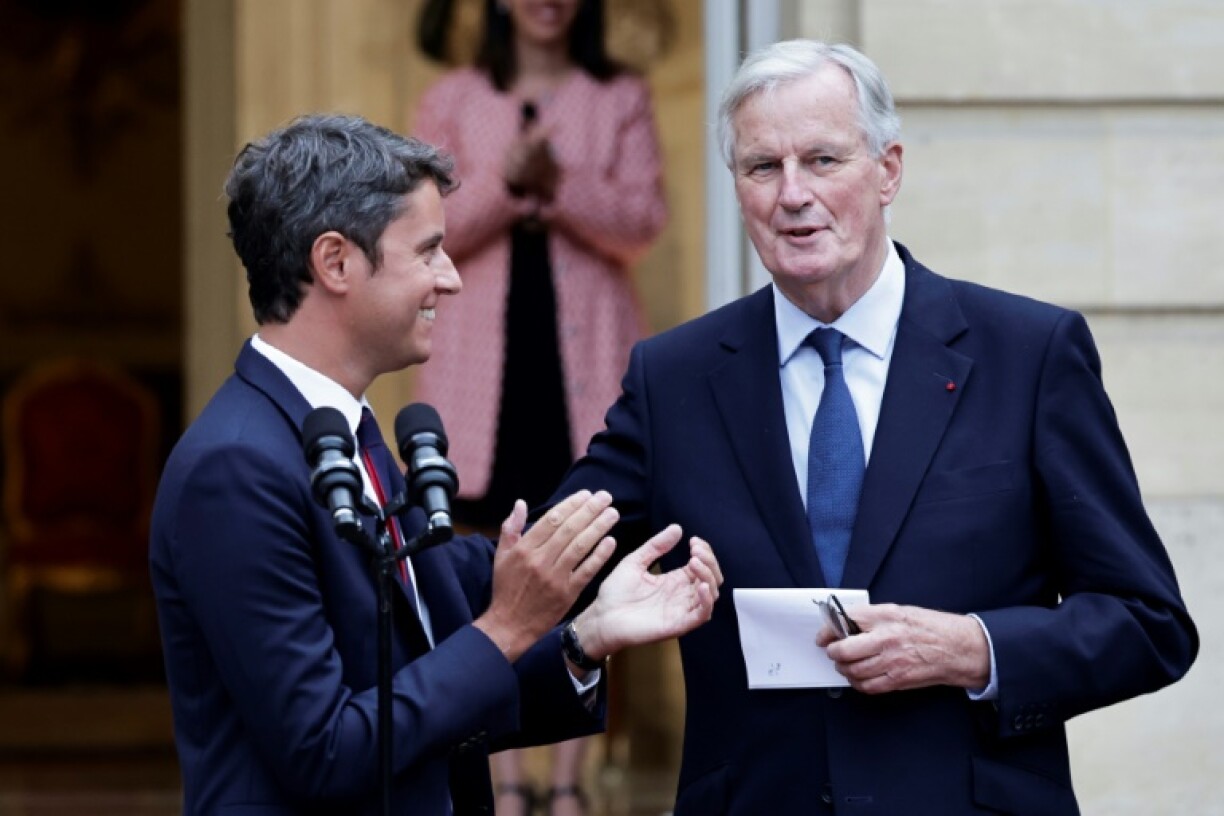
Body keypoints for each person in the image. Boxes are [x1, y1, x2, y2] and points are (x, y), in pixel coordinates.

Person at [543, 39, 1199, 814]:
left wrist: (974, 649)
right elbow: (545, 584)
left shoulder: (1027, 355)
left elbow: (1147, 622)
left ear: (888, 170)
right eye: (763, 167)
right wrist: (580, 644)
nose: (793, 194)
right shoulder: (675, 378)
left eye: (823, 160)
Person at [148, 113, 720, 816]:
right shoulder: (234, 468)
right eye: (427, 251)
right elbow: (327, 752)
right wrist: (507, 626)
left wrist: (584, 637)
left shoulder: (348, 431)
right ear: (335, 263)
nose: (449, 279)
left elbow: (434, 689)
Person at [412, 1, 667, 813]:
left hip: (582, 363)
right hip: (481, 365)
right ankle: (503, 776)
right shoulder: (453, 97)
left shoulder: (619, 94)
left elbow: (640, 223)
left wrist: (560, 188)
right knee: (481, 560)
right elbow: (426, 230)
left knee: (583, 546)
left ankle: (568, 782)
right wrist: (504, 184)